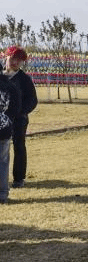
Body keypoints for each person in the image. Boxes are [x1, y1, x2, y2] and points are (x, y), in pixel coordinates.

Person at [3, 46, 37, 188]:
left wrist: (21, 112)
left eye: (19, 60)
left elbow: (32, 100)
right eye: (13, 58)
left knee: (19, 146)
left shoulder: (24, 79)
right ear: (6, 57)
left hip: (18, 120)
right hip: (1, 119)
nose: (15, 62)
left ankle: (18, 178)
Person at [0, 68, 21, 203]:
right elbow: (16, 106)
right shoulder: (9, 86)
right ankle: (2, 194)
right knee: (2, 162)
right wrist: (8, 118)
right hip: (4, 128)